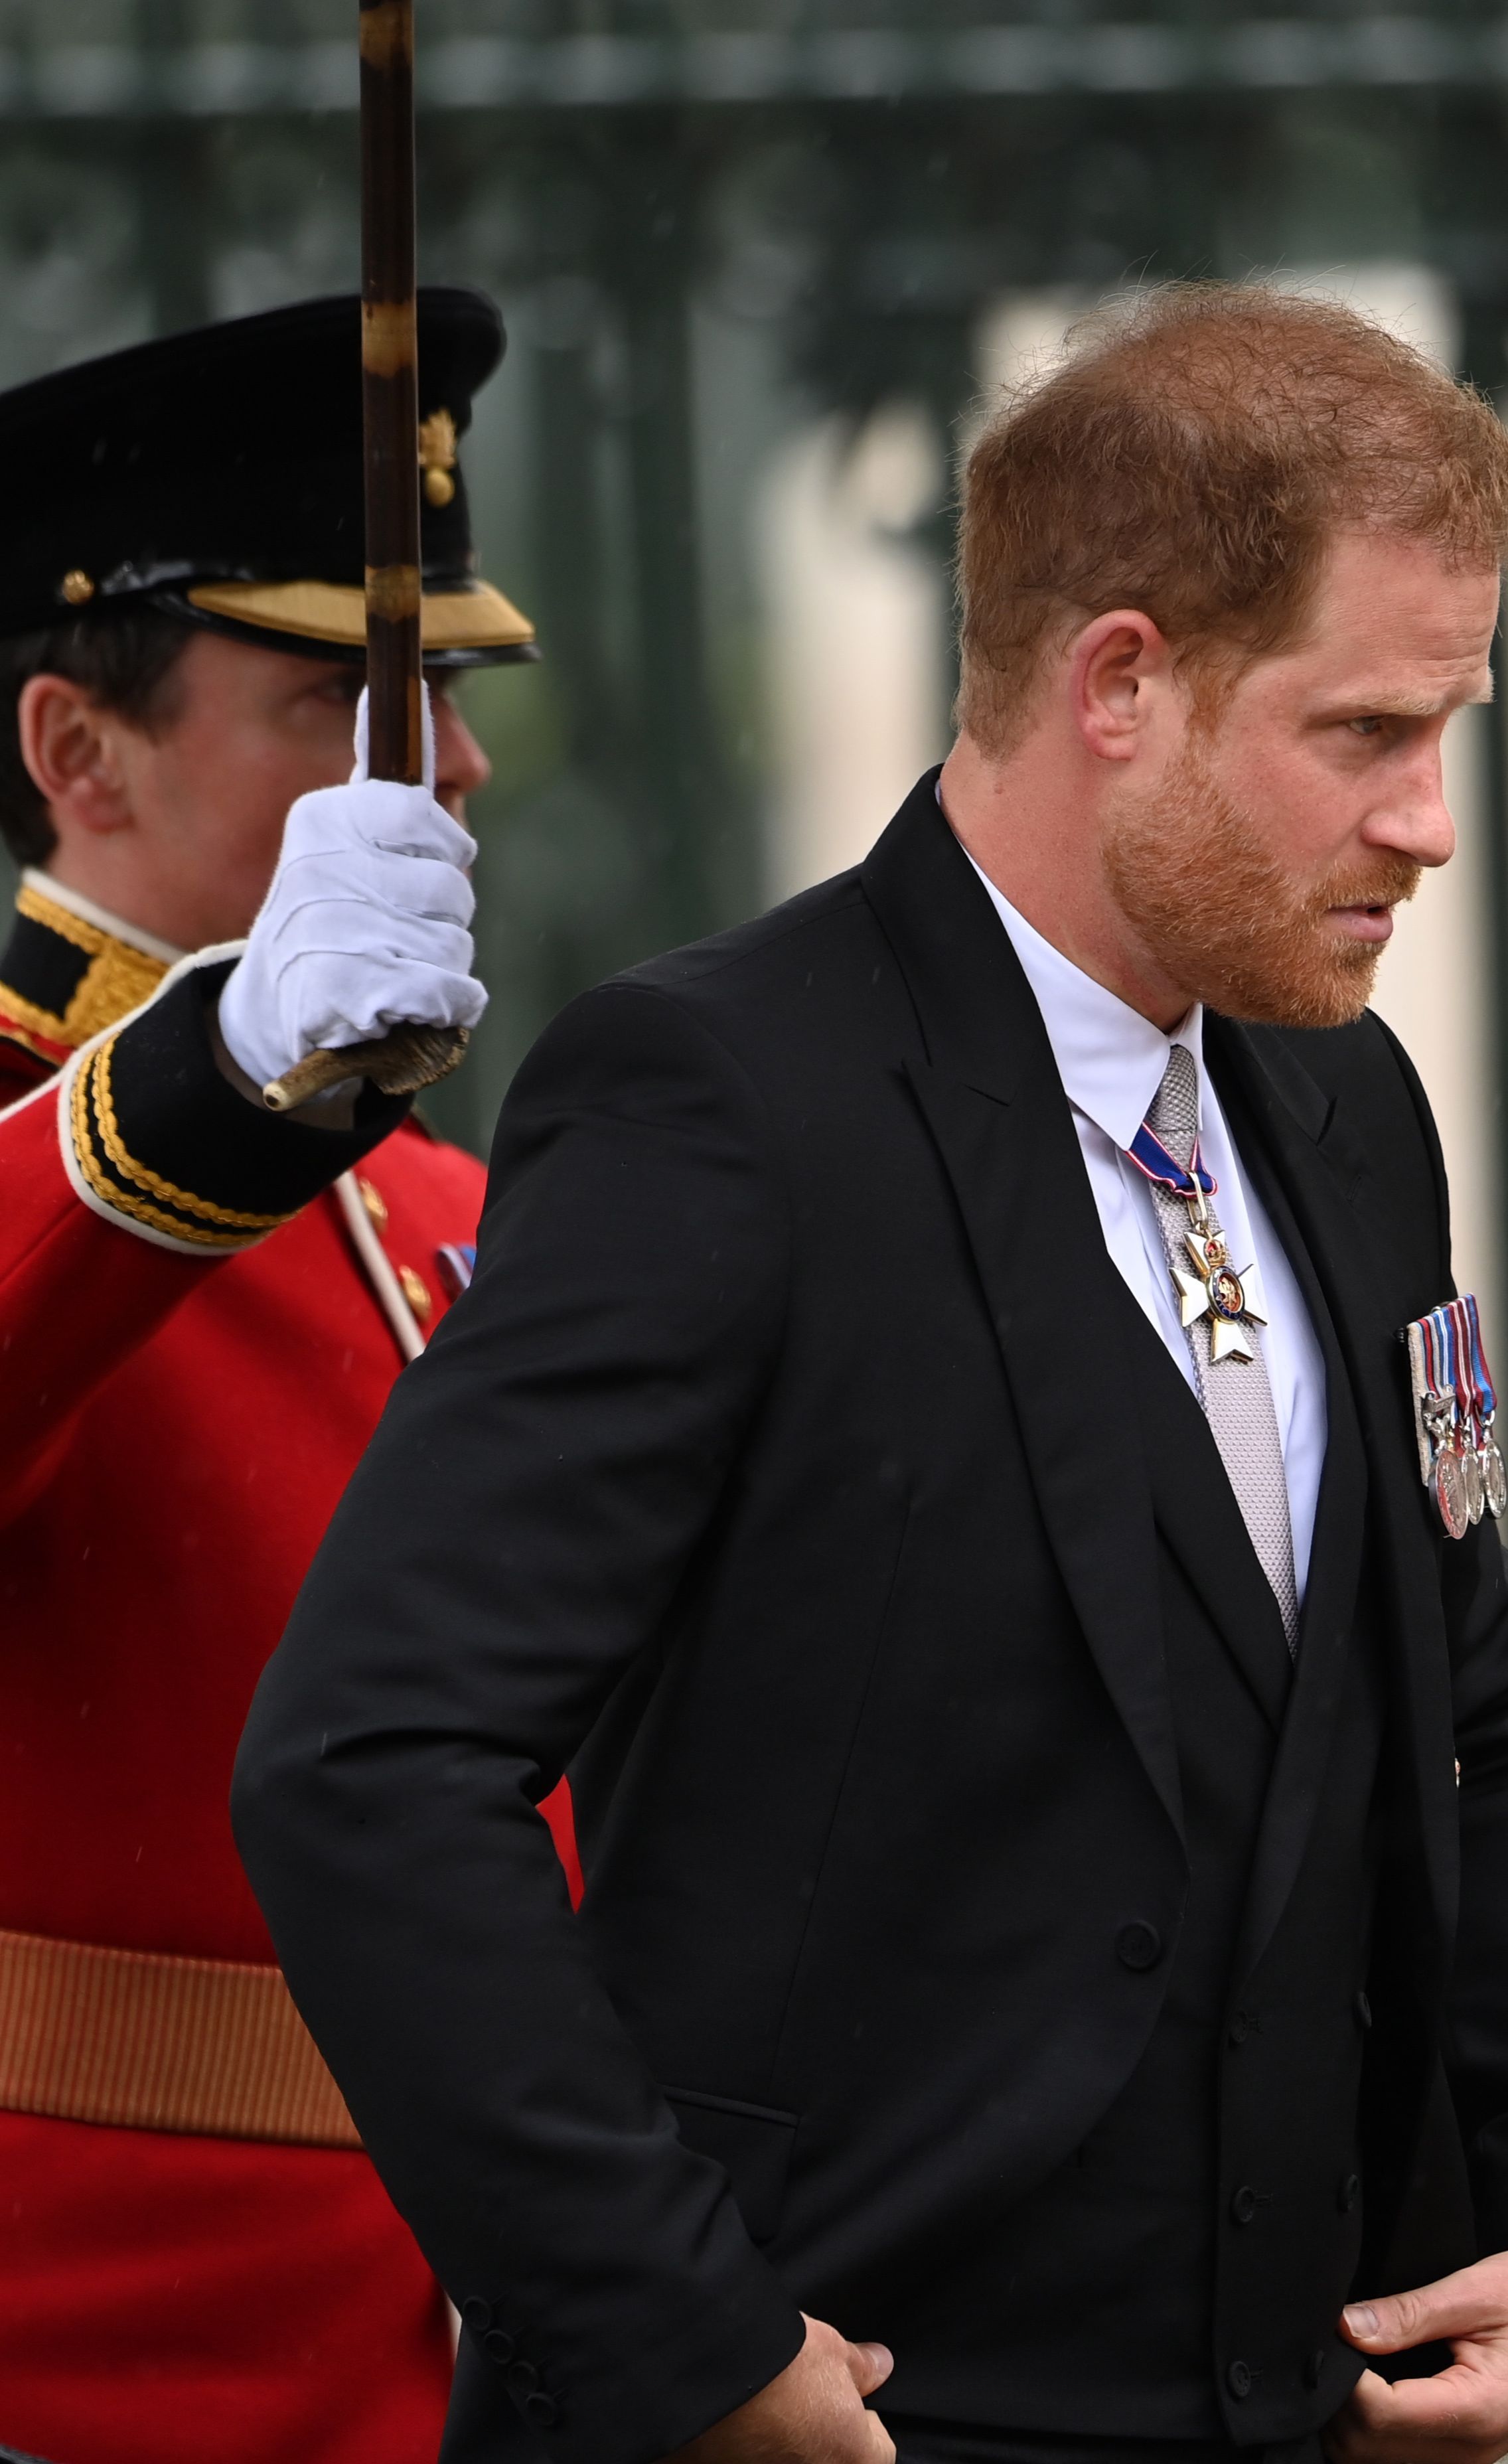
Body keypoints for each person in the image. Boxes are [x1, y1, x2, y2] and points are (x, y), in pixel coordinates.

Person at [234, 285, 1508, 2464]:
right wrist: (678, 2334)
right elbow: (370, 1763)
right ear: (1120, 683)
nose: (1430, 823)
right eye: (1368, 732)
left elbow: (1477, 1707)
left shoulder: (1347, 1107)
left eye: (1445, 731)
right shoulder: (719, 1099)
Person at [0, 288, 572, 2464]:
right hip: (101, 2360)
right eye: (347, 693)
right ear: (80, 754)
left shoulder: (442, 1206)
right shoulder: (64, 1144)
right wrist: (215, 1085)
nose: (444, 767)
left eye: (444, 696)